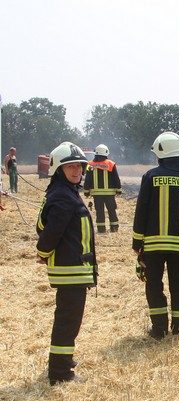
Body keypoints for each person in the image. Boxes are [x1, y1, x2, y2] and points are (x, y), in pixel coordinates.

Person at [35, 142, 97, 385]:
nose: (76, 171)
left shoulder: (65, 191)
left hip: (74, 269)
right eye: (70, 166)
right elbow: (51, 231)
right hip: (70, 270)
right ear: (59, 169)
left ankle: (64, 358)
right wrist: (42, 251)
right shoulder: (63, 195)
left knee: (69, 320)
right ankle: (60, 373)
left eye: (79, 166)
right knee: (67, 321)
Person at [132, 132, 179, 338]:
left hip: (153, 245)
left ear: (161, 153)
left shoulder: (150, 177)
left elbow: (141, 210)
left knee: (154, 285)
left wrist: (137, 241)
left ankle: (159, 328)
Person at [84, 144, 122, 233]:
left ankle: (101, 229)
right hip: (110, 194)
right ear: (106, 153)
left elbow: (88, 179)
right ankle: (114, 228)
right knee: (112, 210)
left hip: (97, 195)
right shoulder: (111, 164)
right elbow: (116, 178)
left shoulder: (90, 165)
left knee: (99, 211)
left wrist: (86, 191)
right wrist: (118, 189)